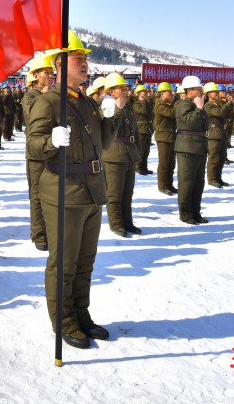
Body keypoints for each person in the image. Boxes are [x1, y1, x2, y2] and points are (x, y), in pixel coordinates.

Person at [26, 30, 118, 349]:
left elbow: (103, 144)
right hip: (64, 191)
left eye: (85, 60)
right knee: (64, 262)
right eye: (80, 60)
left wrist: (110, 117)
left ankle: (81, 315)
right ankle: (63, 320)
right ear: (62, 64)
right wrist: (51, 142)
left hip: (92, 190)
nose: (86, 65)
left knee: (85, 262)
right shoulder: (48, 102)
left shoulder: (87, 102)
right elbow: (34, 146)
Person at [21, 53, 56, 251]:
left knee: (52, 194)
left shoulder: (50, 95)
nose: (50, 76)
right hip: (36, 153)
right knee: (37, 194)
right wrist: (46, 96)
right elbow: (34, 117)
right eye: (46, 72)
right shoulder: (30, 97)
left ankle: (50, 231)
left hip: (54, 149)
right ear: (35, 76)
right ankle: (39, 234)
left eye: (52, 73)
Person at [102, 72, 140, 237]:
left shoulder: (129, 106)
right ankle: (116, 223)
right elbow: (108, 128)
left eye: (125, 87)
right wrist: (118, 108)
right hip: (114, 154)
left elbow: (135, 131)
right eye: (121, 88)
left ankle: (127, 222)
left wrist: (137, 151)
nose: (125, 90)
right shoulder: (106, 105)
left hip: (129, 153)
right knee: (114, 192)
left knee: (127, 192)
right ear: (111, 91)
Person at [175, 75, 209, 225]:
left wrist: (199, 107)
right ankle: (186, 214)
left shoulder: (196, 103)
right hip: (187, 148)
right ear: (189, 91)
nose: (201, 90)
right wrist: (199, 108)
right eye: (198, 88)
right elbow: (191, 123)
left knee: (198, 183)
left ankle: (196, 212)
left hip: (199, 147)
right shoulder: (183, 105)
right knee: (187, 182)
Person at [153, 82, 178, 195]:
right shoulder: (159, 104)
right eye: (169, 92)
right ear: (163, 94)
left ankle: (169, 184)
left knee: (171, 163)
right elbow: (172, 113)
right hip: (163, 137)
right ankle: (163, 185)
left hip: (171, 136)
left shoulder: (169, 103)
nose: (172, 94)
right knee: (164, 163)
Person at [203, 83, 230, 187]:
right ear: (209, 94)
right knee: (214, 158)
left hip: (221, 133)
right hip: (213, 133)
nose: (218, 93)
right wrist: (228, 104)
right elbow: (219, 113)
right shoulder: (208, 105)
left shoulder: (218, 104)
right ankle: (212, 179)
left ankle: (218, 178)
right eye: (215, 92)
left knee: (222, 157)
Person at [132, 84, 154, 175]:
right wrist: (143, 101)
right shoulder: (136, 104)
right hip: (140, 130)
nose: (146, 94)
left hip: (147, 129)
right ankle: (138, 167)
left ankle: (144, 167)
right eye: (144, 92)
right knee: (140, 150)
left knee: (146, 151)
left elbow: (151, 113)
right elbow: (144, 111)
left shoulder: (147, 103)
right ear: (139, 94)